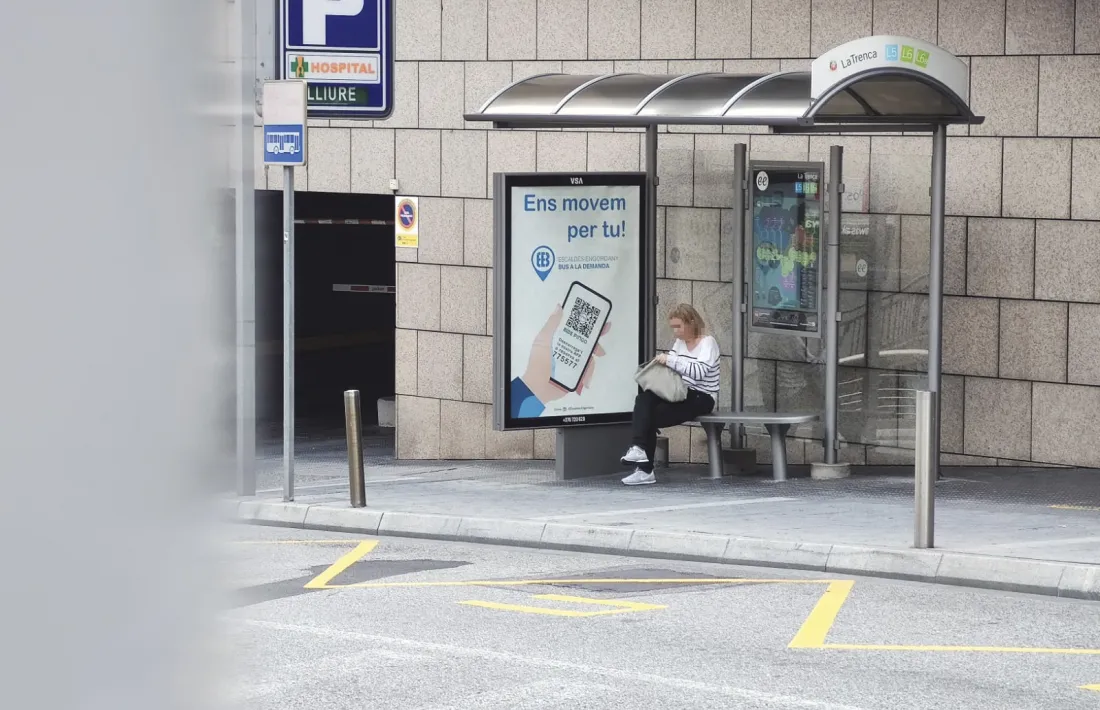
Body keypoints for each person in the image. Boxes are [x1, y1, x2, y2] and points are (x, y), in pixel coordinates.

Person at [621, 303, 719, 486]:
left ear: (691, 322)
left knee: (647, 417)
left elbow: (699, 373)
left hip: (702, 396)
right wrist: (665, 363)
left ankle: (645, 469)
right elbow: (672, 369)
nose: (676, 332)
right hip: (680, 392)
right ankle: (639, 450)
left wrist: (671, 360)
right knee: (644, 399)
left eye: (678, 327)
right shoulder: (679, 343)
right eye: (673, 327)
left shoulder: (708, 343)